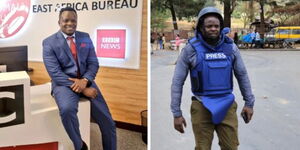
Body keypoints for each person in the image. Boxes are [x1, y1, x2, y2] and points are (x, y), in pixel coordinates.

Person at [171, 7, 255, 150]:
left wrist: (249, 103)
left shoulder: (230, 47)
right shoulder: (191, 49)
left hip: (227, 105)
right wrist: (176, 113)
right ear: (201, 27)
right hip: (201, 105)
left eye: (216, 26)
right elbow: (177, 82)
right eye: (209, 26)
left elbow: (242, 75)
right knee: (202, 148)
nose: (213, 29)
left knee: (231, 147)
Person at [43, 7, 116, 150]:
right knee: (67, 110)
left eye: (73, 20)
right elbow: (55, 73)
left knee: (109, 123)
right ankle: (80, 145)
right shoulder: (49, 42)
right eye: (66, 20)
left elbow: (93, 63)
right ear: (59, 22)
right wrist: (83, 90)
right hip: (63, 84)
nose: (70, 23)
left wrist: (84, 81)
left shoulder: (85, 37)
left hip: (86, 81)